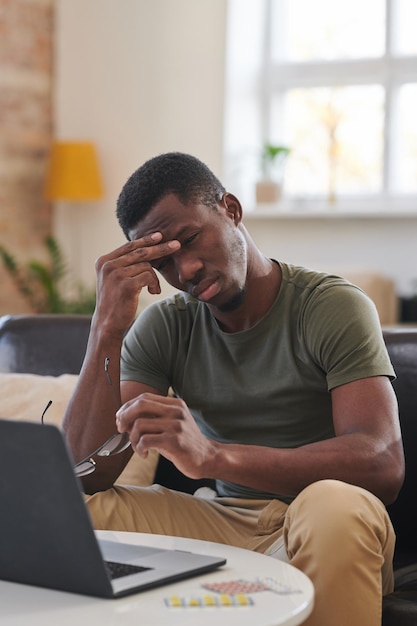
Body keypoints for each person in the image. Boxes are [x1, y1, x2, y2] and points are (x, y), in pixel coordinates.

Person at [63, 152, 405, 626]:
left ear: (231, 208)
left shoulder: (331, 306)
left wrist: (215, 457)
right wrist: (105, 330)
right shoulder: (166, 326)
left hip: (322, 521)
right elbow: (79, 478)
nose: (185, 270)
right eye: (164, 261)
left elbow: (382, 463)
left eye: (189, 238)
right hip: (224, 523)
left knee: (334, 505)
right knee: (74, 513)